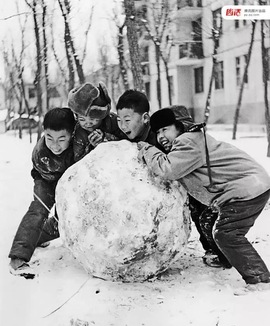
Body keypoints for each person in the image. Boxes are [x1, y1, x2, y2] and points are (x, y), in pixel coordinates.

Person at [137, 107, 270, 289]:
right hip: (246, 185)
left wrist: (148, 149)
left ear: (179, 127)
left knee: (227, 234)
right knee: (207, 220)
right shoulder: (190, 142)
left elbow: (167, 169)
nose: (160, 136)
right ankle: (224, 258)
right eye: (157, 132)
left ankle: (260, 279)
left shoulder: (188, 142)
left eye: (165, 129)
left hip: (248, 188)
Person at [116, 92, 221, 266]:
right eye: (119, 121)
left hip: (184, 183)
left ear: (144, 118)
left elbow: (171, 163)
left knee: (199, 210)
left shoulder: (158, 137)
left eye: (127, 120)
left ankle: (215, 248)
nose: (122, 126)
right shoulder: (133, 135)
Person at [8, 107, 76, 279]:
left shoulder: (79, 144)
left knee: (62, 224)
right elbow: (48, 182)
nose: (54, 145)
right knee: (39, 210)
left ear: (72, 135)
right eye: (49, 138)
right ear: (43, 133)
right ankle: (18, 256)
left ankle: (37, 237)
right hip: (45, 180)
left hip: (69, 183)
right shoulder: (41, 153)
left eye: (62, 139)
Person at [68, 82, 128, 162]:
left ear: (102, 116)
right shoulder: (79, 132)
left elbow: (127, 143)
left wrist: (105, 139)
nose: (88, 123)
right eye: (82, 119)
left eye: (93, 119)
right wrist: (91, 147)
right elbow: (78, 160)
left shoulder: (112, 121)